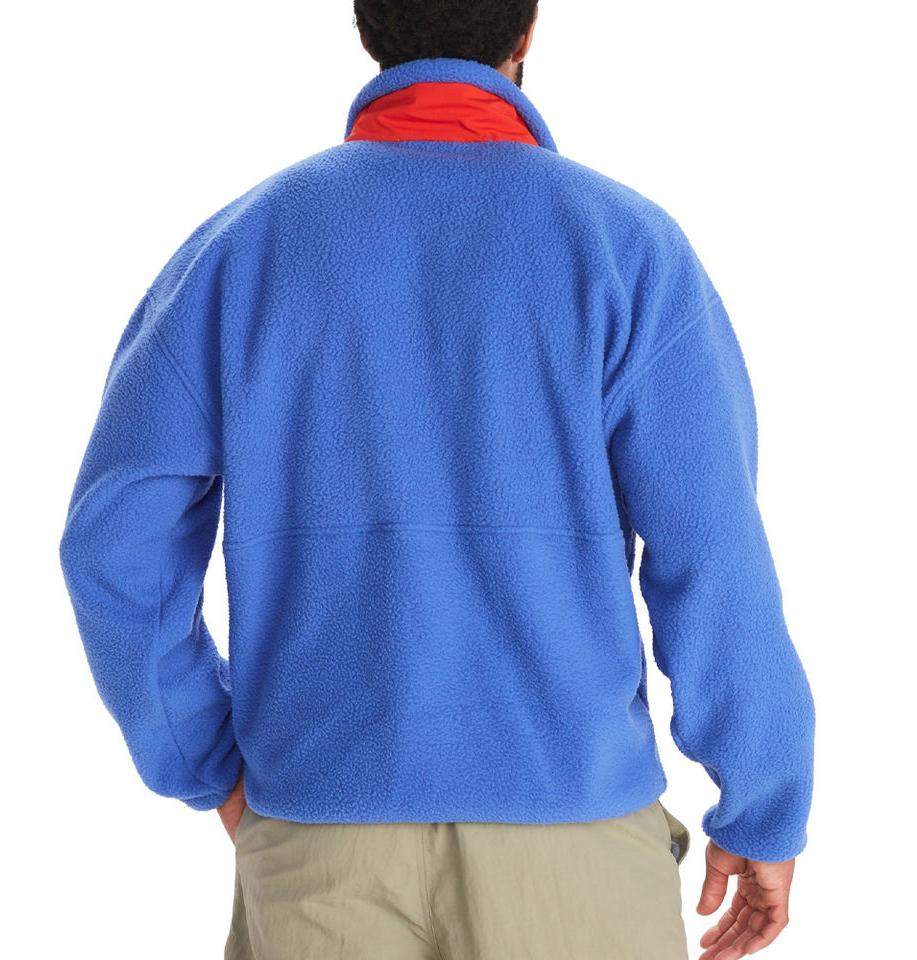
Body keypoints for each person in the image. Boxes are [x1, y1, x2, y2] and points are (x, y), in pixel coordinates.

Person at [57, 3, 816, 958]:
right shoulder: (626, 249)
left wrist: (207, 763)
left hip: (319, 846)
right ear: (527, 30)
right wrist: (763, 801)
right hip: (572, 847)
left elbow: (116, 549)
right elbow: (712, 555)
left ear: (366, 26)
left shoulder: (238, 251)